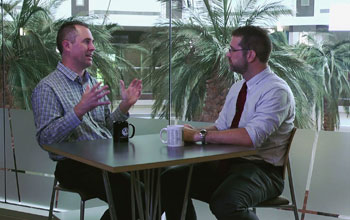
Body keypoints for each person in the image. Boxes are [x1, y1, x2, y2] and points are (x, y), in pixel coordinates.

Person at [161, 25, 295, 220]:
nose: (227, 54)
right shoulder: (238, 87)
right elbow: (220, 128)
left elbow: (251, 137)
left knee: (226, 202)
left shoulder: (276, 91)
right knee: (170, 179)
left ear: (250, 55)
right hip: (228, 165)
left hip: (262, 170)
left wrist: (201, 135)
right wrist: (193, 132)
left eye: (232, 50)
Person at [31, 21, 142, 220]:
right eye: (87, 42)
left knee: (163, 183)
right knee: (135, 194)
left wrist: (124, 107)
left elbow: (106, 125)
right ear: (67, 46)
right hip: (75, 166)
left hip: (107, 158)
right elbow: (45, 140)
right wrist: (78, 111)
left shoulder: (91, 83)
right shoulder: (47, 88)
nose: (93, 47)